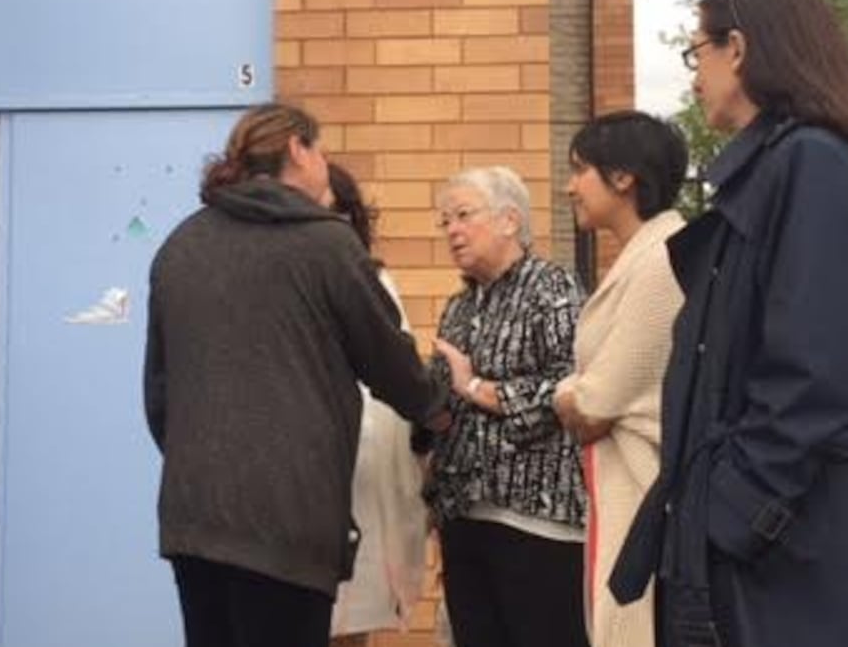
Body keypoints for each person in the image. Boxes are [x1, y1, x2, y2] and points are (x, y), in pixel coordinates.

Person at [610, 0, 848, 647]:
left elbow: (816, 375)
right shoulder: (781, 170)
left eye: (696, 50)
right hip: (788, 556)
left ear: (741, 47)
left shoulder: (808, 164)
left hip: (799, 565)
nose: (694, 73)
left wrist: (732, 514)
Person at [143, 102, 449, 647]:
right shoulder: (326, 245)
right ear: (296, 150)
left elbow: (159, 395)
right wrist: (440, 404)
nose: (325, 164)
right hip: (288, 522)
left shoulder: (180, 246)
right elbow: (391, 364)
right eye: (321, 150)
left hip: (194, 518)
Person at [425, 165, 588, 647]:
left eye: (463, 215)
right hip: (464, 519)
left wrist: (474, 385)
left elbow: (569, 388)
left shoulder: (553, 289)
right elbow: (443, 402)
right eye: (444, 221)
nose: (452, 230)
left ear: (509, 220)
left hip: (536, 525)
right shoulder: (459, 307)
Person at [552, 111, 687, 647]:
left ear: (623, 176)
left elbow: (596, 400)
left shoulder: (661, 260)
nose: (569, 186)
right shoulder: (643, 255)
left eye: (580, 169)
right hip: (618, 485)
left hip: (641, 488)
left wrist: (568, 390)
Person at [323, 164, 429, 646]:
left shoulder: (372, 282)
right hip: (306, 477)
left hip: (359, 473)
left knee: (350, 620)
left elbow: (395, 384)